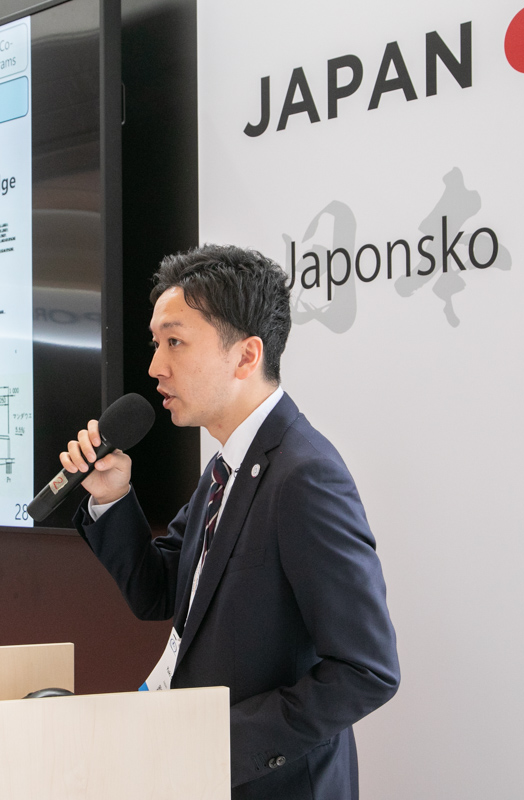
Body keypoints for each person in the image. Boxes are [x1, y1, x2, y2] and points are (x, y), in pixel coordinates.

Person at [61, 244, 400, 800]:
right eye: (156, 343)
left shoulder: (305, 477)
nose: (155, 367)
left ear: (246, 356)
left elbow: (367, 671)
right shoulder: (227, 466)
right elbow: (160, 591)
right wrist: (112, 498)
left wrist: (215, 743)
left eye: (174, 342)